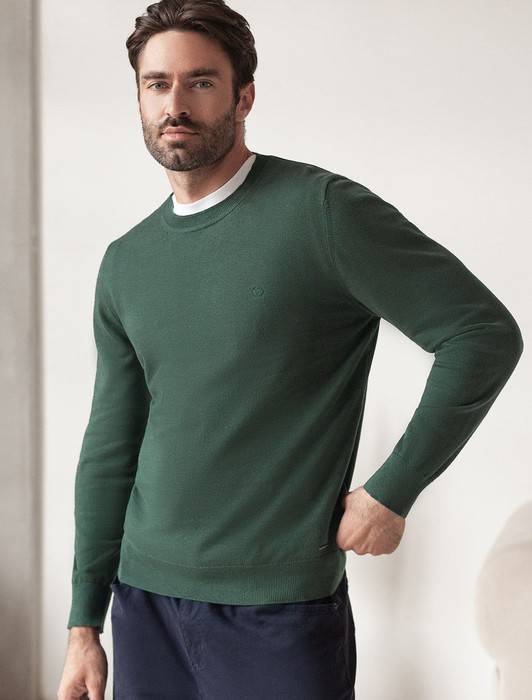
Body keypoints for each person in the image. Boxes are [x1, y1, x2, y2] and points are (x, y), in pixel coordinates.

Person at [57, 1, 523, 698]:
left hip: (278, 612)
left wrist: (392, 491)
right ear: (140, 98)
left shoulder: (321, 213)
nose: (175, 104)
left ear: (244, 96)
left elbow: (481, 334)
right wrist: (83, 623)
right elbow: (110, 443)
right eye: (157, 84)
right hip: (144, 602)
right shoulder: (126, 261)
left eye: (201, 82)